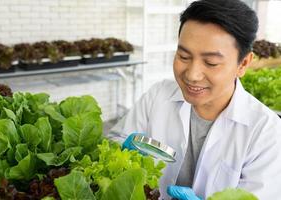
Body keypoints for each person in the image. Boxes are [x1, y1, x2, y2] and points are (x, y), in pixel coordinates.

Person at [108, 0, 281, 199]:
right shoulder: (158, 96)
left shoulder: (267, 133)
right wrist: (120, 148)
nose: (192, 75)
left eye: (211, 62)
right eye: (183, 56)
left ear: (243, 64)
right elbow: (113, 144)